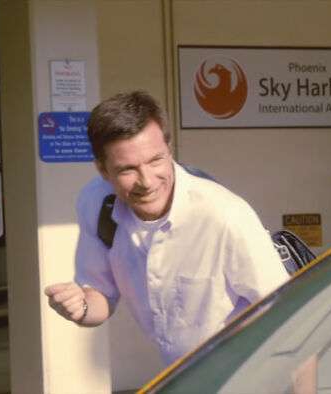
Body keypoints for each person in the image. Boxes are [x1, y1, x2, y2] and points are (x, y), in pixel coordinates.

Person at [44, 90, 289, 366]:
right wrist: (81, 307)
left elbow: (292, 319)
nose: (147, 181)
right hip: (182, 378)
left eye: (155, 160)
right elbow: (101, 298)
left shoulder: (225, 215)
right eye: (127, 170)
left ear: (169, 150)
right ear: (103, 170)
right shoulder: (97, 204)